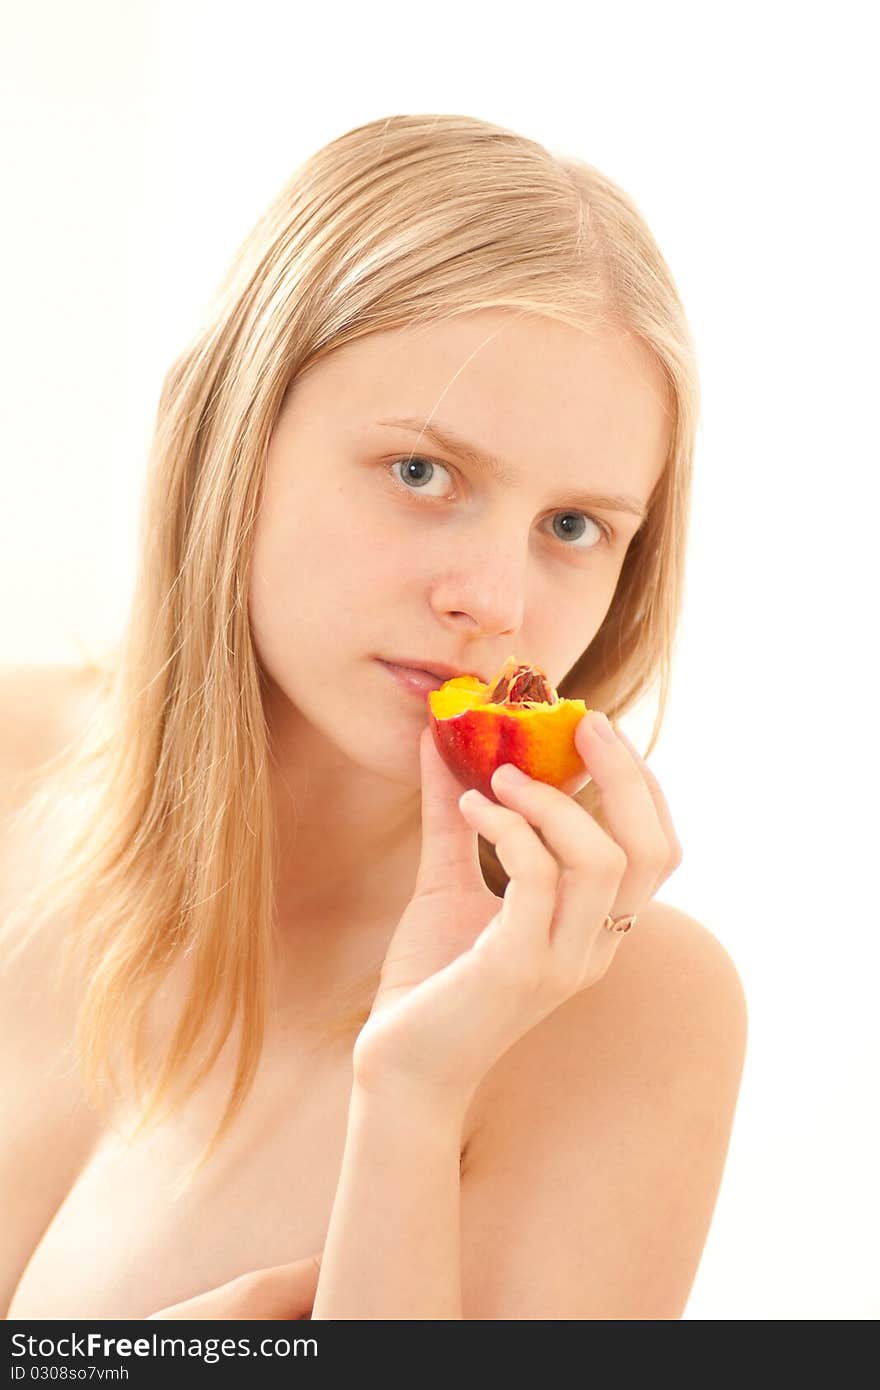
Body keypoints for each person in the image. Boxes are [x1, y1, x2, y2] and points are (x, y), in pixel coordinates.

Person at [0, 113, 747, 1321]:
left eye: (573, 527)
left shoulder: (629, 1010)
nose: (493, 604)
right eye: (421, 472)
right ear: (228, 438)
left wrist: (409, 1099)